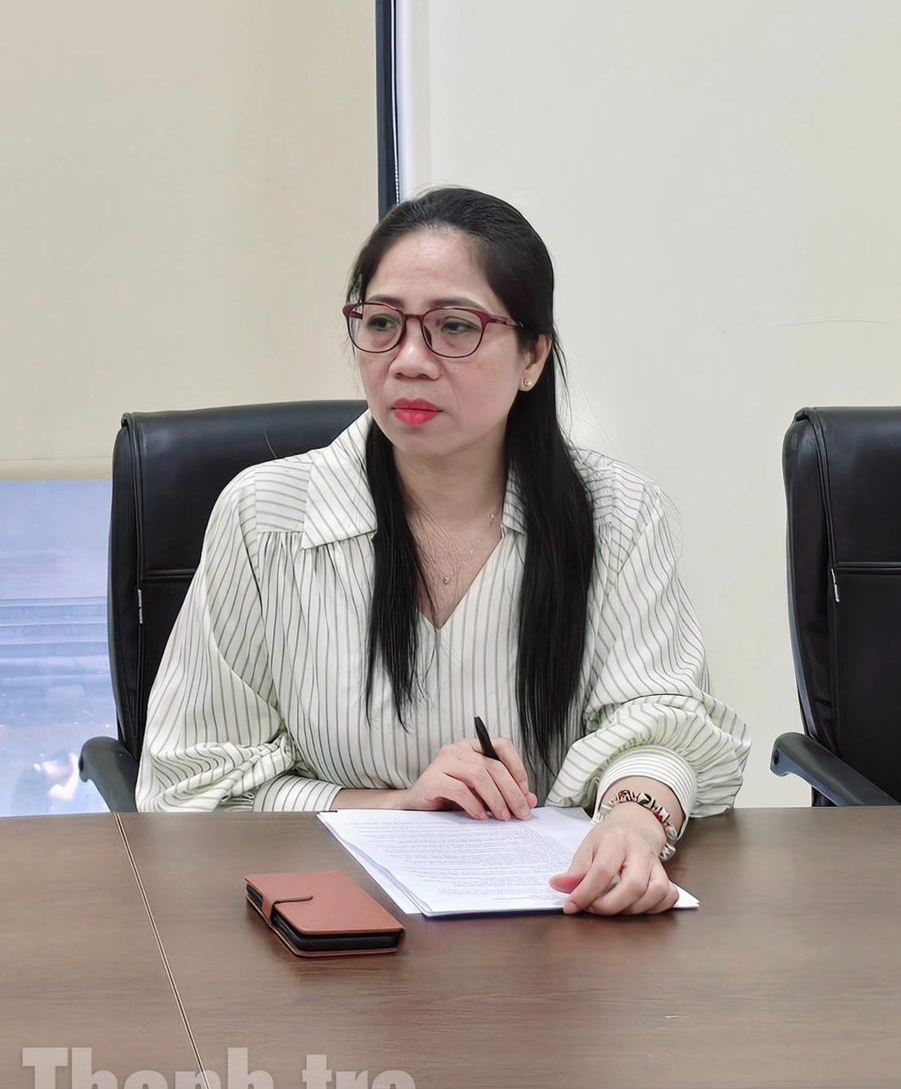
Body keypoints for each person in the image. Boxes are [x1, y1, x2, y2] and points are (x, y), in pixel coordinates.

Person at [138, 187, 749, 913]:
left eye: (454, 327)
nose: (409, 360)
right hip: (329, 928)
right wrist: (396, 805)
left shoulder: (617, 514)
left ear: (532, 357)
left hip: (560, 928)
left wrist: (633, 822)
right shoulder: (264, 518)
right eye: (382, 323)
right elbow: (192, 786)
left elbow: (664, 724)